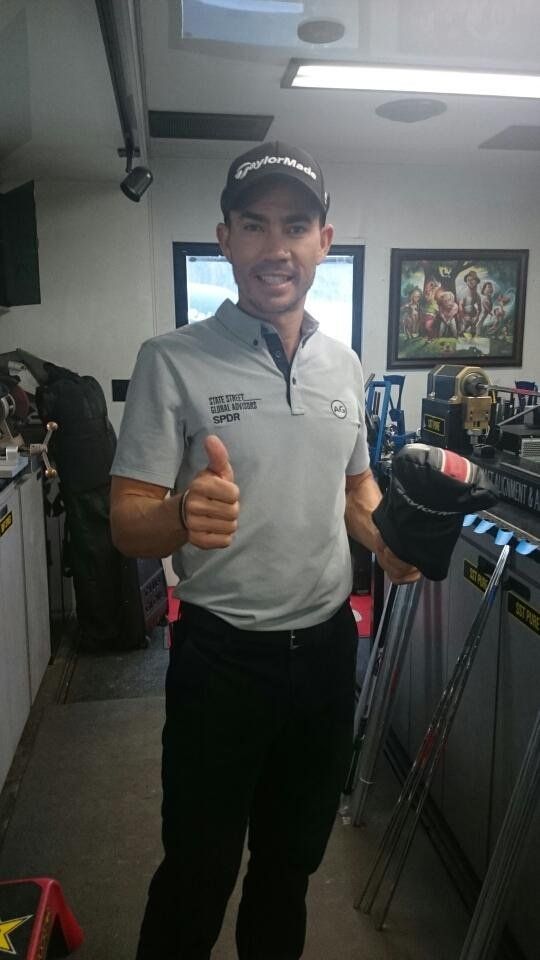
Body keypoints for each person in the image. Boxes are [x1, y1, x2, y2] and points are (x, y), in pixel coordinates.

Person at [110, 140, 419, 960]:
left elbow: (355, 488)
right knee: (199, 871)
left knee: (291, 866)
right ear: (225, 238)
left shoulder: (344, 365)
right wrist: (181, 515)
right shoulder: (169, 360)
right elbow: (126, 522)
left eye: (295, 226)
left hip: (326, 655)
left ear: (324, 241)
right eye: (253, 224)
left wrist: (387, 541)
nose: (274, 247)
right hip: (221, 659)